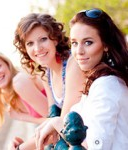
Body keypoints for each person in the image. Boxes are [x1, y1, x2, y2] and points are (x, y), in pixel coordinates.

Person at [35, 8, 128, 150]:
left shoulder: (107, 84)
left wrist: (56, 123)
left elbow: (96, 146)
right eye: (74, 43)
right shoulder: (95, 80)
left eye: (88, 42)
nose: (79, 51)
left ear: (106, 45)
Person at [10, 13, 85, 149]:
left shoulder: (72, 64)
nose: (38, 48)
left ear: (55, 39)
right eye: (30, 43)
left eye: (43, 39)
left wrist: (21, 148)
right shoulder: (46, 73)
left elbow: (63, 125)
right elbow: (52, 120)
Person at [0, 49, 48, 131]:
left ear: (7, 64)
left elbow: (54, 120)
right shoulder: (7, 96)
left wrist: (21, 116)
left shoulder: (19, 81)